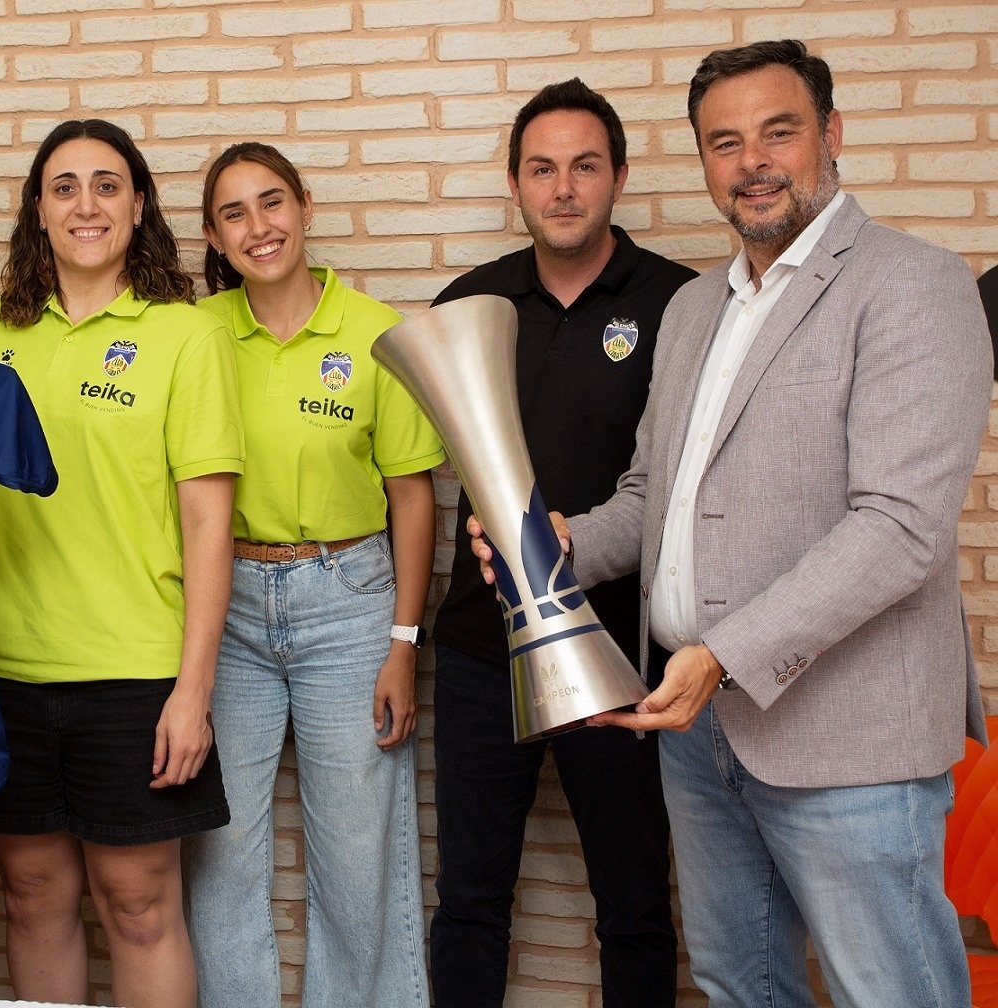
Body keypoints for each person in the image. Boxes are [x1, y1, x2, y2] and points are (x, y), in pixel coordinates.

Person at [475, 40, 991, 1007]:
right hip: (702, 737)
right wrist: (561, 540)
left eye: (777, 133)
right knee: (737, 985)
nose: (751, 161)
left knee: (891, 992)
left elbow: (899, 529)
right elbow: (652, 497)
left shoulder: (914, 284)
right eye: (724, 142)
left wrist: (720, 653)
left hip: (850, 741)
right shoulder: (696, 307)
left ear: (831, 136)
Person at [0, 118, 242, 1008]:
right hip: (5, 672)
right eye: (65, 186)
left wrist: (192, 693)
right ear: (36, 212)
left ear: (140, 205)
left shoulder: (183, 336)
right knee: (33, 897)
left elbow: (208, 527)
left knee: (141, 905)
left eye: (108, 184)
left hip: (136, 674)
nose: (87, 204)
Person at [428, 79, 693, 1008]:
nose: (564, 188)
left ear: (619, 175)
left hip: (627, 650)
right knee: (468, 899)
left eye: (585, 166)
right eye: (542, 168)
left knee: (632, 905)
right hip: (479, 650)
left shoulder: (681, 304)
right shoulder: (470, 299)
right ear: (515, 184)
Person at [182, 143, 442, 1008]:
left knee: (357, 855)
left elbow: (412, 498)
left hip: (350, 603)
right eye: (233, 214)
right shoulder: (197, 332)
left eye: (271, 203)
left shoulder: (376, 332)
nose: (259, 227)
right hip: (229, 608)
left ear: (304, 206)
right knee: (217, 854)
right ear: (214, 239)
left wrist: (402, 643)